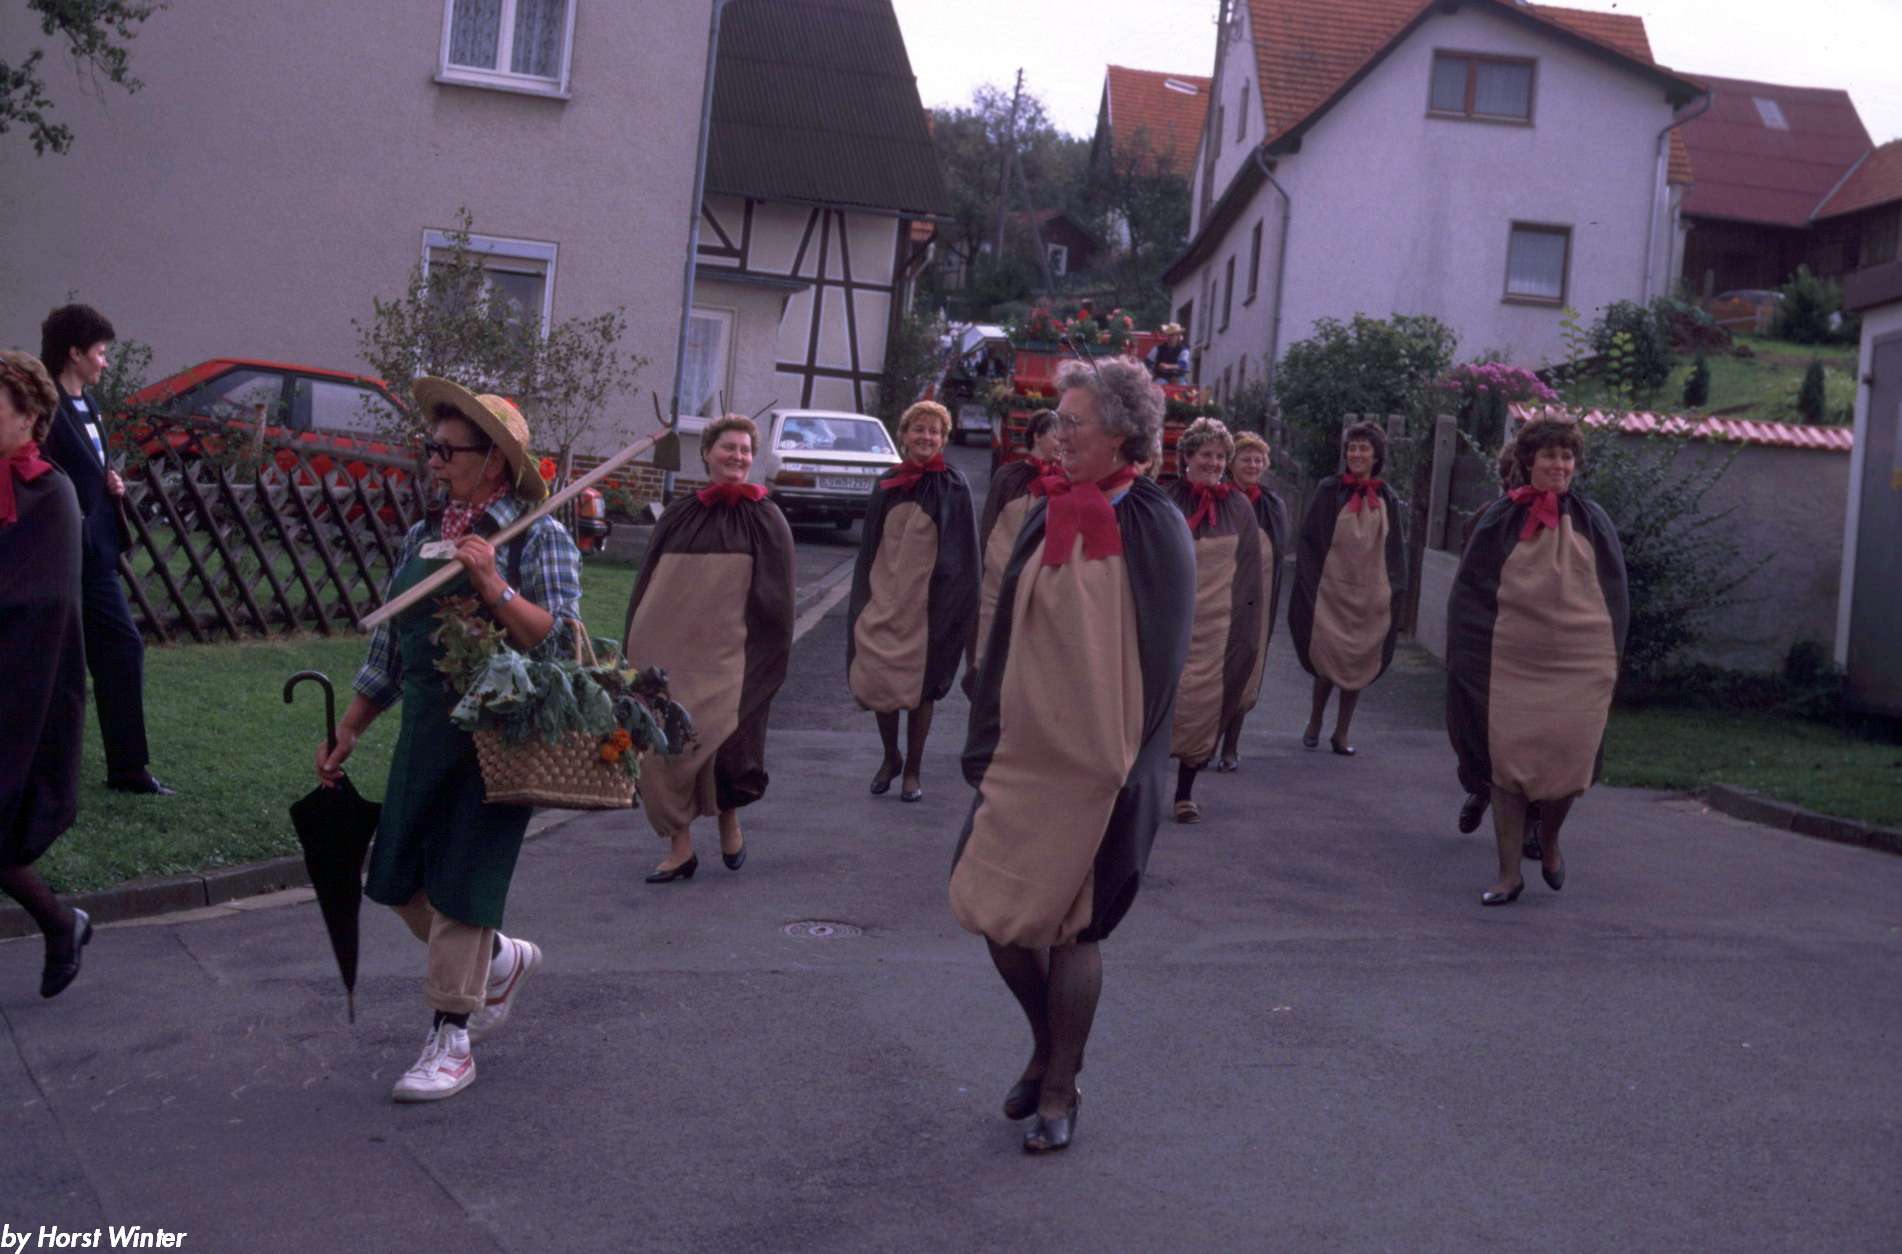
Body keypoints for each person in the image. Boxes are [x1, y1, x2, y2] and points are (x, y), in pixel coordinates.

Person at [951, 355, 1193, 1153]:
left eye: (1075, 423)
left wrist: (1128, 770)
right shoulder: (1045, 510)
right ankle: (1049, 1046)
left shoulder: (1156, 525)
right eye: (1059, 422)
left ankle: (1058, 1090)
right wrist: (985, 739)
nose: (1060, 435)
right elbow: (1004, 636)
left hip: (1101, 769)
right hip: (1025, 759)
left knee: (1075, 930)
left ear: (1121, 434)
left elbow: (1164, 662)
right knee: (998, 912)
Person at [315, 378, 580, 1102]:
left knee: (464, 882)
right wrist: (350, 727)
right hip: (427, 732)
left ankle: (451, 1040)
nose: (432, 461)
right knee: (396, 877)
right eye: (429, 447)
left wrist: (494, 585)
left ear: (493, 461)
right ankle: (498, 961)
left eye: (446, 450)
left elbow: (562, 646)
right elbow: (391, 654)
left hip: (498, 738)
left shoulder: (538, 536)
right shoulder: (421, 538)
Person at [1447, 417, 1628, 905]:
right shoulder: (1498, 519)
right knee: (1507, 765)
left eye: (1567, 456)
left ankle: (1549, 840)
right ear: (1528, 461)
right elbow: (1472, 595)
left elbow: (1614, 597)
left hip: (1579, 665)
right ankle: (1508, 874)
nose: (1559, 464)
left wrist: (1610, 659)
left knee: (1569, 763)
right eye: (1549, 455)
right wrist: (1468, 659)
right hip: (1513, 664)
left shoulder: (1594, 521)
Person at [624, 414, 795, 884]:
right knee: (664, 747)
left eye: (745, 450)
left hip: (729, 656)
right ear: (706, 454)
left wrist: (766, 656)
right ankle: (679, 849)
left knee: (727, 743)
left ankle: (728, 819)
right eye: (728, 448)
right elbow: (650, 583)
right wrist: (635, 643)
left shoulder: (767, 518)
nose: (737, 456)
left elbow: (778, 601)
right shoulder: (679, 514)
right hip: (670, 651)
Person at [38, 304, 172, 796]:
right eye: (99, 352)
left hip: (97, 553)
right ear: (74, 353)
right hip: (57, 554)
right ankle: (40, 767)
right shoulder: (45, 407)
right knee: (55, 665)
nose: (105, 362)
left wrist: (108, 482)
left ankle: (128, 769)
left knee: (123, 648)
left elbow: (86, 467)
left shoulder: (90, 407)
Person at [0, 351, 94, 998]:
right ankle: (63, 925)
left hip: (21, 686)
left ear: (30, 415)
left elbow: (45, 602)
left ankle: (62, 925)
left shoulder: (51, 493)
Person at [846, 401, 978, 803]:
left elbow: (965, 554)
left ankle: (913, 770)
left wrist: (958, 607)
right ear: (904, 435)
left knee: (922, 689)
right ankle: (891, 757)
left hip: (930, 606)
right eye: (919, 429)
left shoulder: (954, 486)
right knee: (881, 680)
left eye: (934, 431)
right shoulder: (887, 484)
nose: (926, 437)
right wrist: (864, 599)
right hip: (886, 600)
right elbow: (870, 548)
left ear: (944, 439)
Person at [1164, 417, 1262, 822]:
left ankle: (1185, 792)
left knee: (1203, 705)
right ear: (1187, 455)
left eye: (1221, 456)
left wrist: (1245, 628)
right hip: (1167, 621)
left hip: (1214, 627)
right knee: (1156, 702)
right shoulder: (1162, 499)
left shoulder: (1239, 508)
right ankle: (1140, 786)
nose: (1214, 463)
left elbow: (1249, 574)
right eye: (1206, 454)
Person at [1289, 421, 1407, 756]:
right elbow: (1311, 540)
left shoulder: (1387, 497)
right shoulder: (1329, 491)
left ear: (1376, 455)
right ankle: (1315, 721)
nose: (1356, 454)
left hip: (1370, 593)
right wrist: (1310, 584)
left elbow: (1395, 551)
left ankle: (1341, 732)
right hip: (1332, 590)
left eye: (1363, 448)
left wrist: (1393, 591)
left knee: (1359, 662)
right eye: (1352, 448)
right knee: (1328, 657)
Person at [966, 409, 1061, 685]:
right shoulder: (1008, 477)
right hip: (1000, 575)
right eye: (1056, 435)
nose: (1062, 442)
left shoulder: (1066, 481)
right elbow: (989, 526)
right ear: (1038, 436)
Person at [1215, 431, 1289, 772]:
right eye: (1246, 458)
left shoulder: (1272, 505)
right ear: (1231, 463)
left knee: (1248, 667)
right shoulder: (1219, 499)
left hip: (1257, 601)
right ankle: (1203, 740)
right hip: (1221, 596)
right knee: (1215, 665)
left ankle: (1231, 746)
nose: (1253, 465)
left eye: (1259, 460)